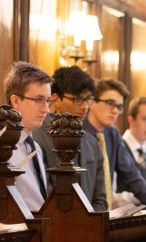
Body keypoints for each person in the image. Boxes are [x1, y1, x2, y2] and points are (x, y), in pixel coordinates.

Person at [0, 62, 53, 212]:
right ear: (15, 101)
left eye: (48, 101)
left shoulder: (35, 147)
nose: (46, 109)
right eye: (39, 100)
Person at [33, 66, 107, 211]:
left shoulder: (92, 142)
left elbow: (101, 199)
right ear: (56, 99)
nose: (85, 107)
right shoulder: (38, 136)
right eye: (77, 100)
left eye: (88, 99)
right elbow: (43, 194)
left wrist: (89, 222)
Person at [83, 80, 146, 211]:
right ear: (91, 101)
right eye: (110, 103)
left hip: (108, 216)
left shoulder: (112, 134)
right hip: (84, 213)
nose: (115, 111)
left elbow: (133, 176)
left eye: (119, 107)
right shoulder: (78, 133)